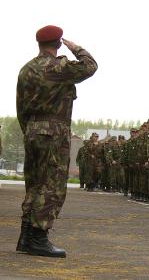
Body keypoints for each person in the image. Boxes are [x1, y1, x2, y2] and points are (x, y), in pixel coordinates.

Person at [16, 25, 97, 257]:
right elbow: (91, 66)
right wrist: (77, 48)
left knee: (34, 183)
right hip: (55, 129)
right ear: (59, 43)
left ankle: (26, 236)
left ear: (38, 43)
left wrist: (30, 130)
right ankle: (39, 238)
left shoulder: (26, 69)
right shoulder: (58, 66)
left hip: (32, 129)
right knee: (52, 185)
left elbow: (20, 105)